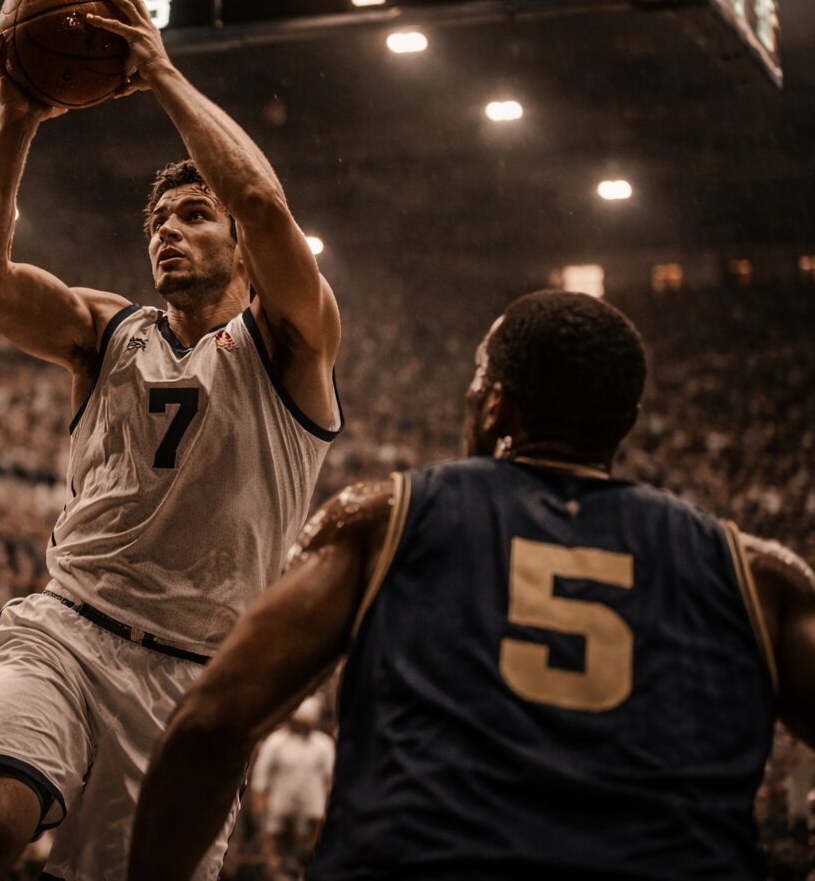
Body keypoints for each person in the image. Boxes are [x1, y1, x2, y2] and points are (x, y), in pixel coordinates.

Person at [129, 289, 815, 881]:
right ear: (626, 424)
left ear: (495, 409)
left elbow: (211, 723)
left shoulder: (383, 519)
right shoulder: (756, 573)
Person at [0, 0, 342, 881]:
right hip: (66, 628)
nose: (167, 233)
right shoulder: (106, 331)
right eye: (157, 221)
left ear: (242, 253)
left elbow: (263, 204)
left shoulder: (292, 342)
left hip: (195, 676)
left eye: (191, 216)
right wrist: (17, 120)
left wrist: (163, 74)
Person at [250, 696, 334, 877]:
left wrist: (328, 812)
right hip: (279, 811)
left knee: (306, 859)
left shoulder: (324, 745)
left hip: (311, 813)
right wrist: (261, 814)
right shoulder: (275, 742)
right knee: (275, 863)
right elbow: (260, 779)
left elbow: (329, 781)